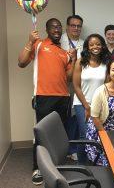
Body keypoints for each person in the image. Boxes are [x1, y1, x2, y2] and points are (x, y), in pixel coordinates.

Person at [18, 18, 77, 185]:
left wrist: (72, 60)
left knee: (59, 134)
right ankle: (37, 168)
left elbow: (68, 78)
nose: (57, 29)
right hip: (44, 97)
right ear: (47, 29)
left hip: (63, 98)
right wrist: (29, 41)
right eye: (53, 27)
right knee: (41, 133)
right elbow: (21, 62)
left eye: (59, 27)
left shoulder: (64, 52)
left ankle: (55, 165)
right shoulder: (38, 44)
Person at [72, 34, 110, 164]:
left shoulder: (106, 63)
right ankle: (82, 165)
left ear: (102, 46)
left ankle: (95, 162)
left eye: (98, 44)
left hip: (99, 106)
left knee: (97, 135)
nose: (95, 47)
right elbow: (76, 86)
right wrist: (87, 106)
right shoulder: (80, 62)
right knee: (85, 135)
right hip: (82, 104)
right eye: (92, 44)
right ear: (87, 47)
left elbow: (107, 86)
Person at [60, 15, 84, 161]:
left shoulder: (84, 42)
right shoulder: (60, 41)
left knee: (75, 117)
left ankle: (73, 148)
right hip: (61, 85)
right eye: (73, 25)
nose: (76, 28)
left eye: (79, 26)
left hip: (78, 86)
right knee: (63, 118)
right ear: (67, 26)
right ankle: (61, 149)